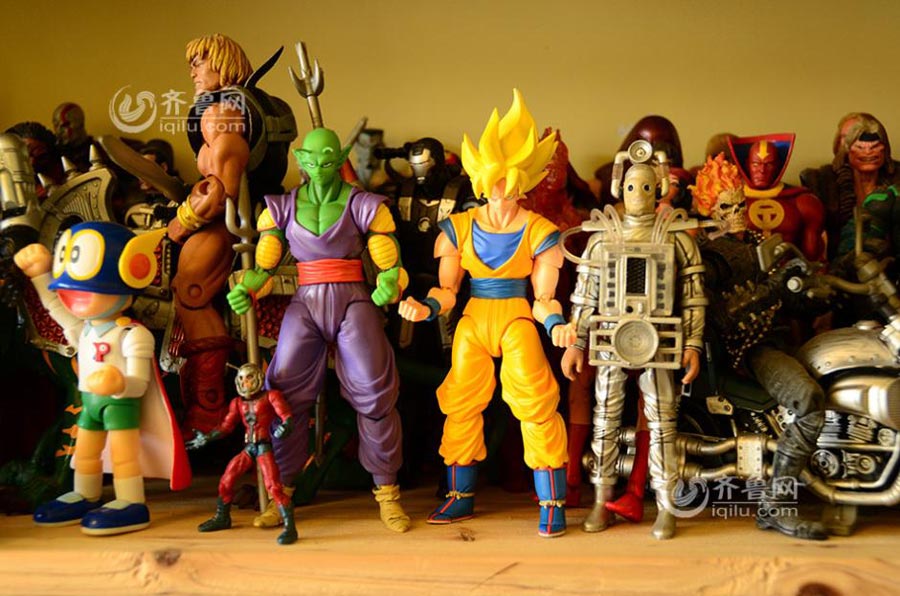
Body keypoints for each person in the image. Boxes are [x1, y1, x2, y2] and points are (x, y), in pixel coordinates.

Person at [398, 90, 571, 538]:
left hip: (516, 318)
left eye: (511, 184)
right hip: (474, 319)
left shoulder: (539, 231)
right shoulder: (458, 227)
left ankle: (552, 503)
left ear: (524, 183)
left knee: (535, 404)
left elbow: (544, 296)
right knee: (461, 403)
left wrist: (556, 324)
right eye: (495, 183)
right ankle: (460, 496)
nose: (502, 193)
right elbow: (448, 290)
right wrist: (425, 306)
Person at [227, 127, 410, 533]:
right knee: (283, 394)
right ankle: (283, 494)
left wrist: (389, 283)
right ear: (300, 160)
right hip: (306, 302)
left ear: (340, 157)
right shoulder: (280, 208)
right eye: (312, 159)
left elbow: (390, 261)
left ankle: (387, 493)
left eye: (328, 158)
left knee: (375, 391)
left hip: (353, 299)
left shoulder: (365, 205)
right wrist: (247, 290)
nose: (320, 166)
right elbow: (265, 268)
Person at [561, 143, 706, 540]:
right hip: (611, 335)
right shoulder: (601, 237)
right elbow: (585, 295)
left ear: (659, 189)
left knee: (663, 422)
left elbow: (693, 296)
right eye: (630, 187)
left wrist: (693, 344)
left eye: (645, 187)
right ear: (618, 190)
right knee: (605, 418)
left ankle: (666, 504)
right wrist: (577, 342)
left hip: (660, 338)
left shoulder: (677, 237)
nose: (637, 194)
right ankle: (601, 497)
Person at [14, 222, 189, 535]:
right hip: (90, 404)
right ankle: (85, 495)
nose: (74, 297)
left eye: (87, 288)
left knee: (123, 456)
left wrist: (119, 384)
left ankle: (131, 502)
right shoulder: (84, 330)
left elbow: (140, 382)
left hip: (120, 406)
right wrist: (40, 274)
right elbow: (54, 307)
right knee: (84, 455)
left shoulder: (132, 334)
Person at [171, 34, 295, 435]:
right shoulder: (234, 106)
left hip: (235, 219)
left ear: (223, 64)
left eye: (200, 62)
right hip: (243, 211)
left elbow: (221, 188)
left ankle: (207, 410)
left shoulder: (221, 113)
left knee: (190, 287)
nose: (192, 71)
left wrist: (183, 220)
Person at [188, 362, 297, 545]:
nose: (245, 382)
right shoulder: (237, 403)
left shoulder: (271, 396)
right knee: (226, 480)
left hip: (263, 447)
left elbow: (286, 417)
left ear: (258, 378)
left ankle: (290, 527)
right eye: (241, 378)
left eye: (249, 378)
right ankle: (222, 517)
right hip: (249, 448)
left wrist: (285, 427)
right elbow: (226, 426)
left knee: (274, 487)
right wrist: (206, 437)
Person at [728, 133, 825, 261]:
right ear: (747, 164)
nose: (762, 170)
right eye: (756, 164)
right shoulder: (728, 202)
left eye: (768, 164)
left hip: (791, 270)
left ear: (778, 165)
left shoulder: (803, 201)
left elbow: (813, 257)